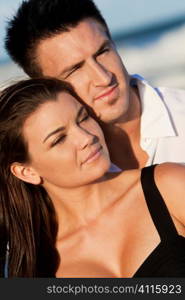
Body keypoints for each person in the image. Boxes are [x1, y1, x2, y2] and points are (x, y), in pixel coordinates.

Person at [1, 77, 185, 278]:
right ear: (27, 172)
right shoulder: (35, 269)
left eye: (83, 118)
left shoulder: (169, 185)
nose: (86, 138)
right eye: (59, 139)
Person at [4, 0, 185, 171]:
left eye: (102, 52)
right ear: (46, 86)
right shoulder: (57, 174)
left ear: (113, 43)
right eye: (75, 69)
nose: (104, 78)